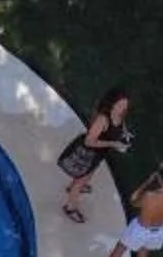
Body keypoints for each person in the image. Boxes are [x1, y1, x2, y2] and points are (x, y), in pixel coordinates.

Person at [55, 88, 133, 224]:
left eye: (125, 105)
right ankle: (70, 207)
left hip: (99, 153)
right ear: (112, 103)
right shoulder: (103, 119)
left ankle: (75, 186)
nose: (123, 108)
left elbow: (121, 127)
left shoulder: (120, 116)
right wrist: (113, 143)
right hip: (87, 153)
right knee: (81, 179)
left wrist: (125, 135)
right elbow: (89, 141)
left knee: (88, 174)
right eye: (120, 105)